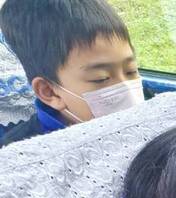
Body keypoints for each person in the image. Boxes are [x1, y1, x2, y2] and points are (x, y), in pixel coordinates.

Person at [0, 0, 146, 148]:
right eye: (100, 79)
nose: (127, 90)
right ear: (50, 92)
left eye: (131, 71)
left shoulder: (150, 100)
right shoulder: (18, 154)